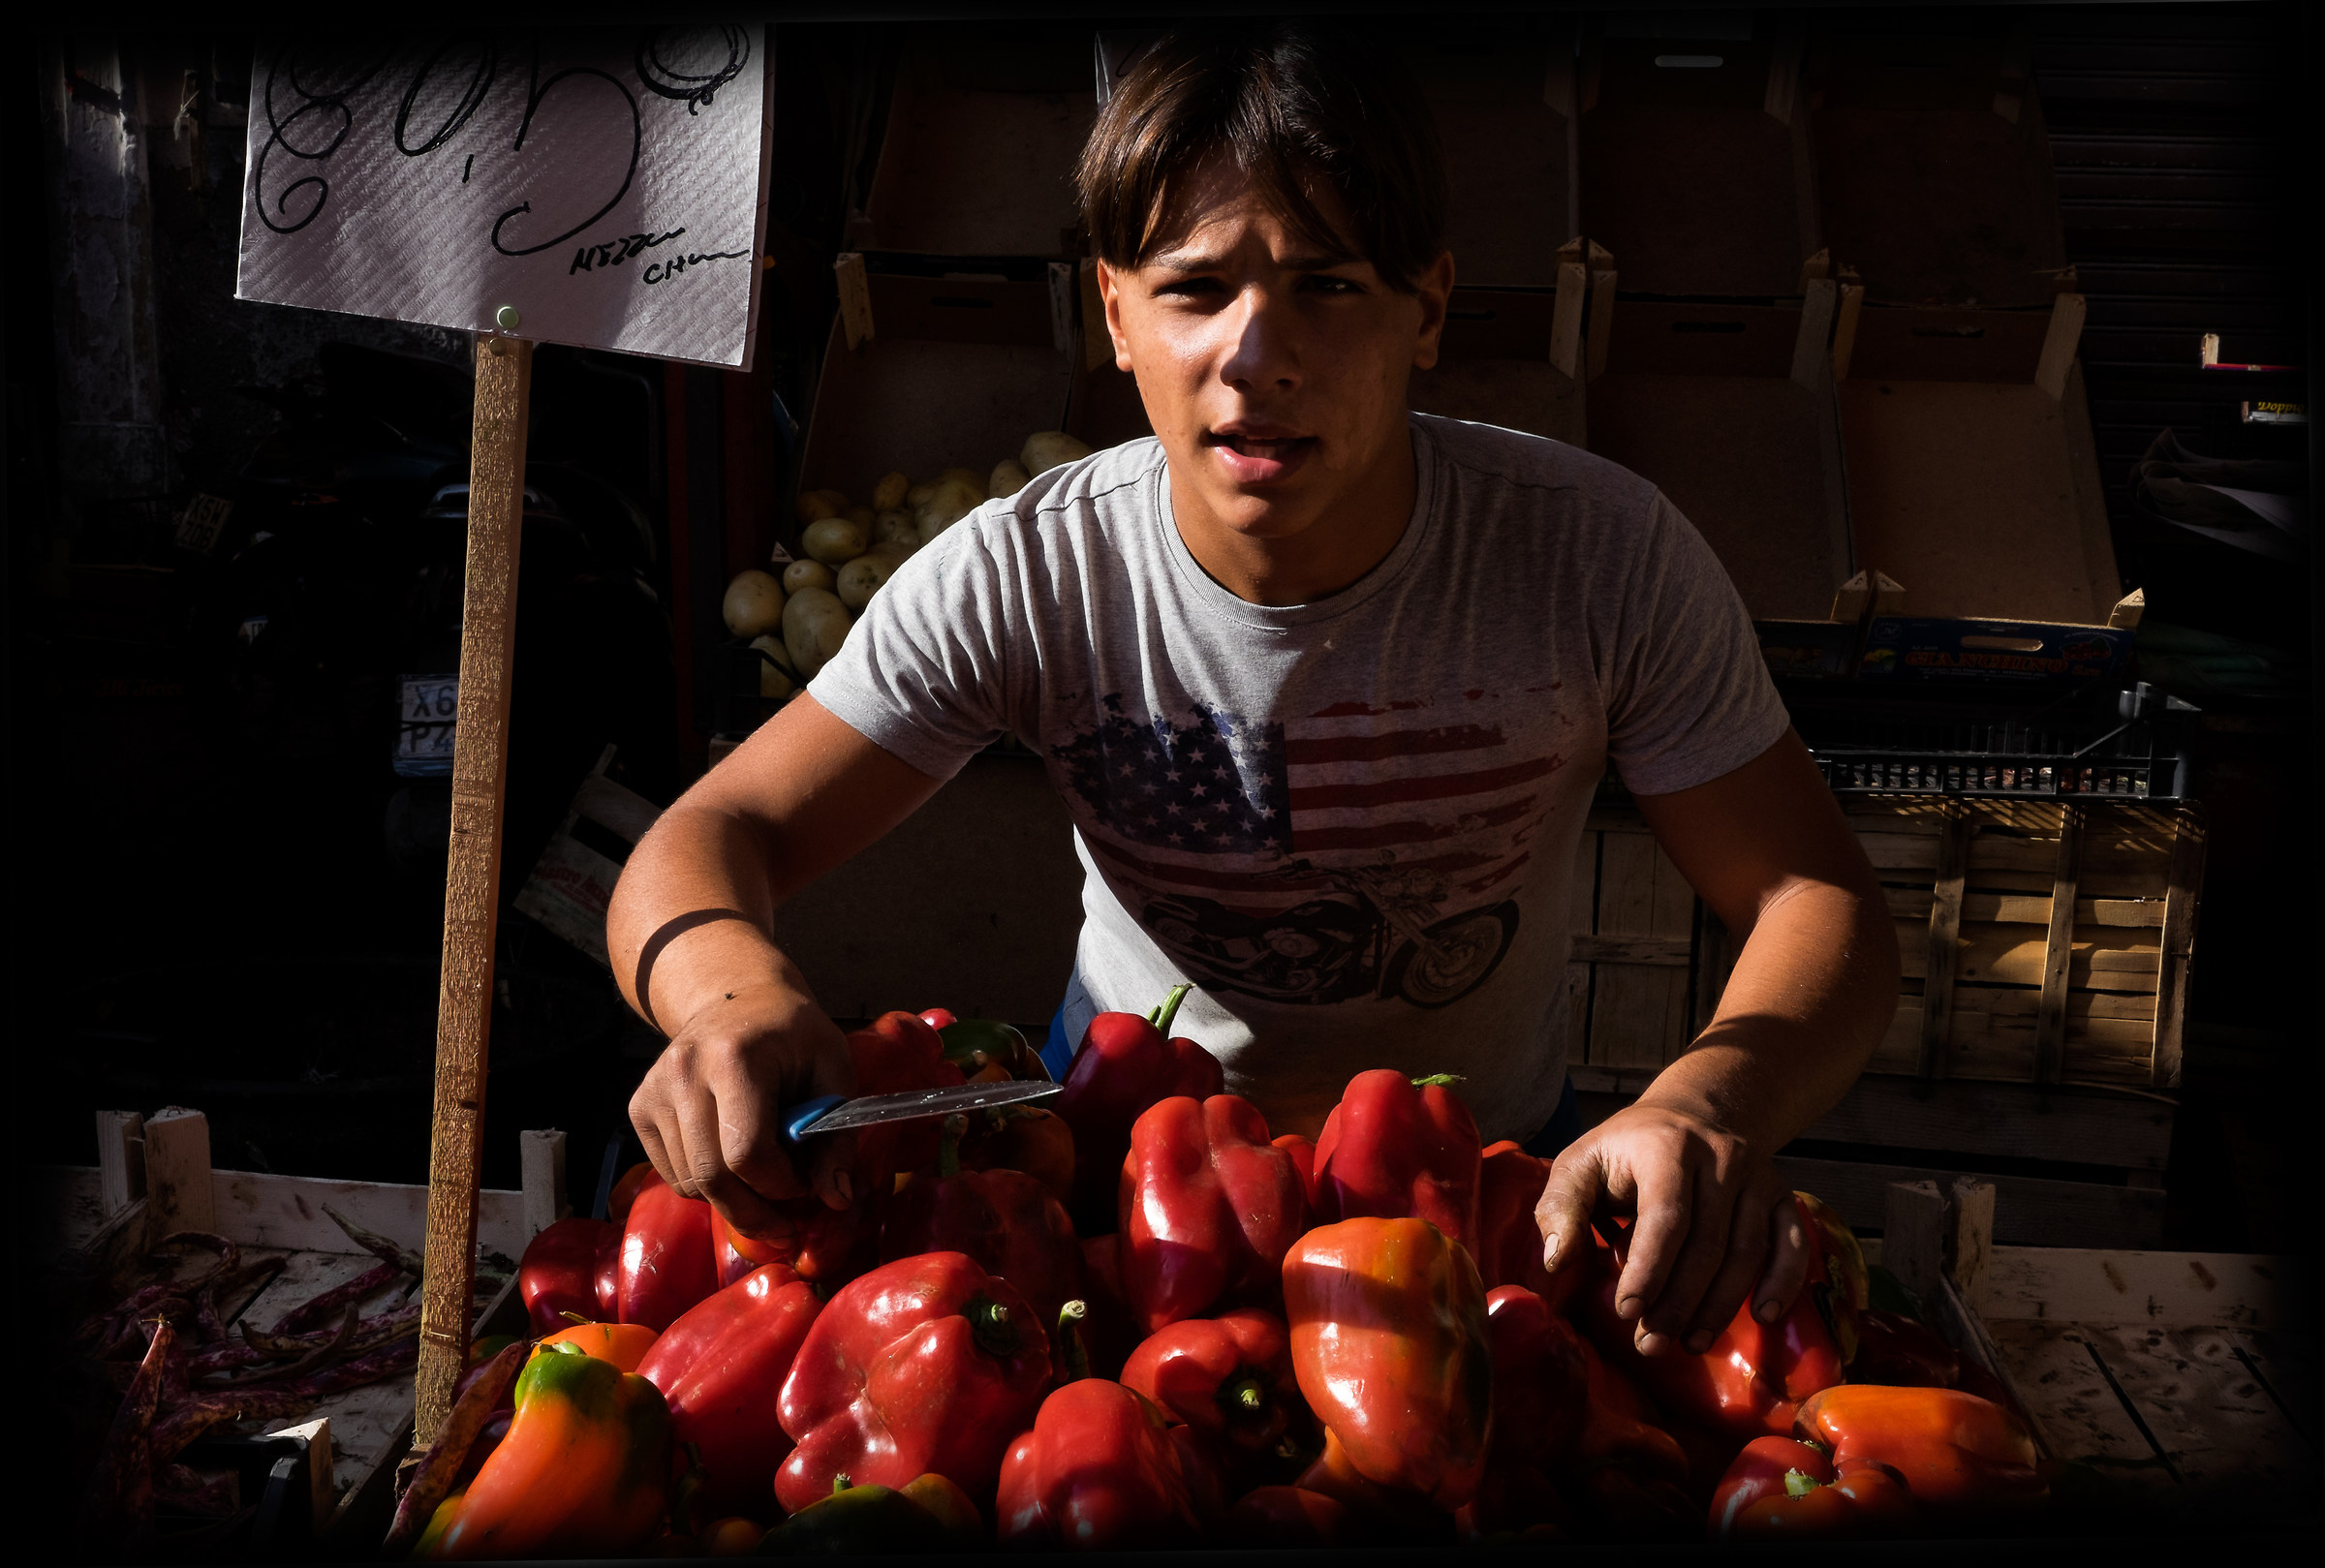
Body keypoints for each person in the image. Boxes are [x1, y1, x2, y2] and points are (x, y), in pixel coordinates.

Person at [606, 21, 1898, 1359]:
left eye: (1328, 286)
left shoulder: (1596, 556)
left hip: (1489, 1182)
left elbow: (1816, 899)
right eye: (1194, 288)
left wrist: (1713, 1098)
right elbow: (708, 838)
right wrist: (732, 1002)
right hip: (1123, 1183)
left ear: (1430, 307)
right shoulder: (1035, 573)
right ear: (1115, 313)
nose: (1256, 351)